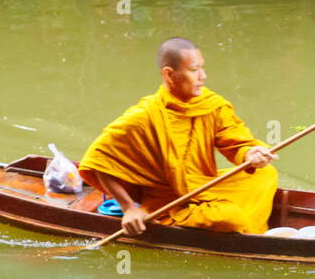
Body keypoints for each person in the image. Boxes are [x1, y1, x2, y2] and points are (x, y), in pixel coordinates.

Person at [77, 37, 279, 236]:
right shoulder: (144, 115)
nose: (203, 76)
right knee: (231, 217)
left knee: (266, 174)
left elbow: (235, 140)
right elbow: (97, 162)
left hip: (204, 185)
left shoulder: (211, 104)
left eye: (202, 68)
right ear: (169, 74)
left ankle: (247, 230)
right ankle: (243, 229)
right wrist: (128, 207)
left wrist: (251, 153)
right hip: (170, 202)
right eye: (193, 70)